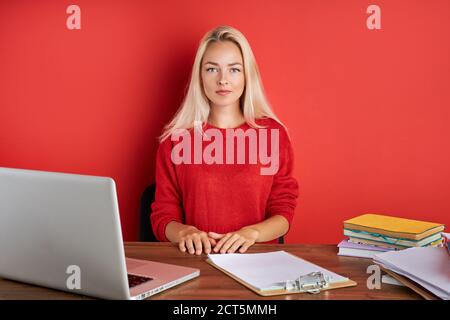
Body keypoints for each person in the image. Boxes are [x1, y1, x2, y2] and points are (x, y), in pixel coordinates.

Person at [151, 25, 298, 255]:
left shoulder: (273, 135)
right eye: (212, 69)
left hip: (257, 263)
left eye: (234, 70)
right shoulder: (176, 139)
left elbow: (283, 211)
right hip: (196, 262)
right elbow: (163, 215)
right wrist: (184, 233)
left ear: (247, 75)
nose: (223, 80)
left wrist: (253, 233)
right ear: (200, 76)